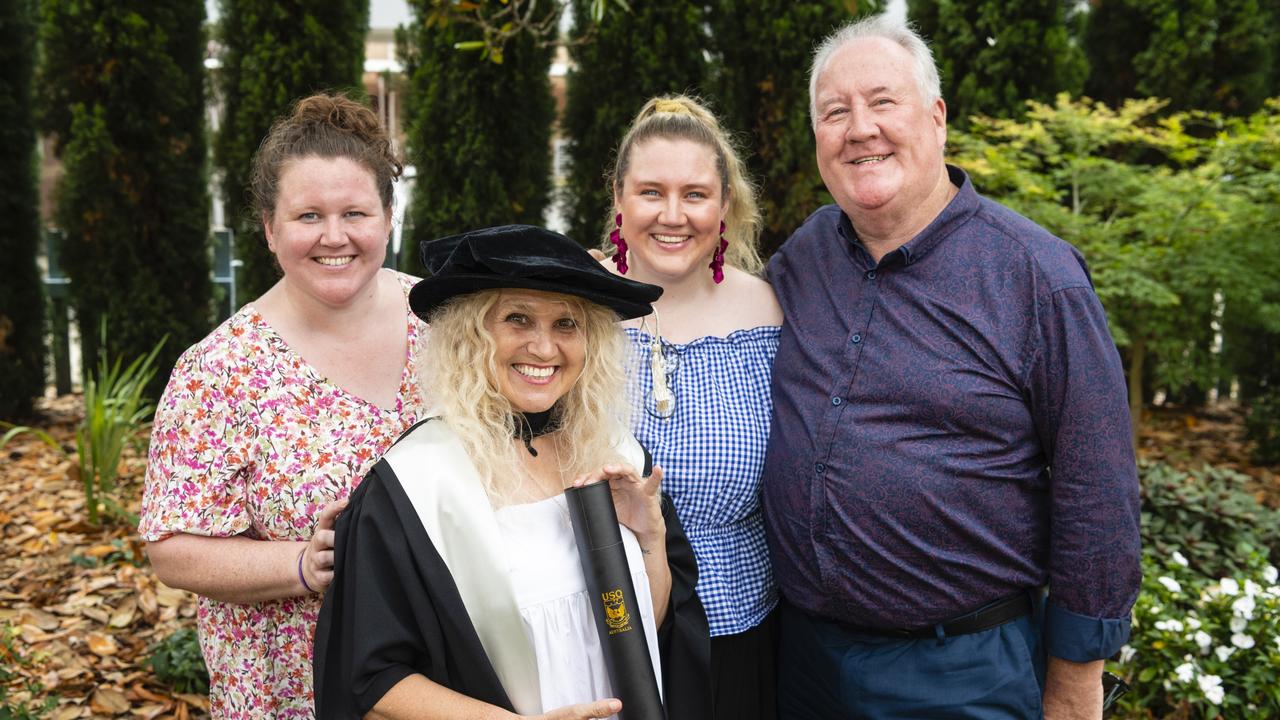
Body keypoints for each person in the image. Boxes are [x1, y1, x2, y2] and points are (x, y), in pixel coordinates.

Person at [761, 14, 1141, 720]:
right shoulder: (804, 256)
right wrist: (615, 286)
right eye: (834, 112)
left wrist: (1075, 683)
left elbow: (1098, 489)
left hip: (961, 674)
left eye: (882, 102)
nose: (859, 128)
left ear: (936, 118)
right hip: (804, 663)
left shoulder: (1035, 276)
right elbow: (707, 305)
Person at [312, 225, 711, 720]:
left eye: (567, 324)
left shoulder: (616, 454)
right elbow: (372, 683)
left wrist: (650, 540)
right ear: (470, 336)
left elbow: (641, 630)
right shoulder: (416, 485)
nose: (544, 349)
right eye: (518, 319)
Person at [139, 94, 428, 718]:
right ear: (270, 228)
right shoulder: (219, 371)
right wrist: (302, 561)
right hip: (295, 688)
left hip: (442, 676)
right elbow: (171, 548)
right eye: (307, 216)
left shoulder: (447, 324)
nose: (334, 236)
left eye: (356, 212)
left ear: (388, 217)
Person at [602, 95, 783, 720]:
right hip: (601, 635)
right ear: (620, 199)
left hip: (741, 633)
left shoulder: (771, 312)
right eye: (651, 192)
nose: (672, 216)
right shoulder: (571, 308)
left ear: (725, 204)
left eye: (696, 194)